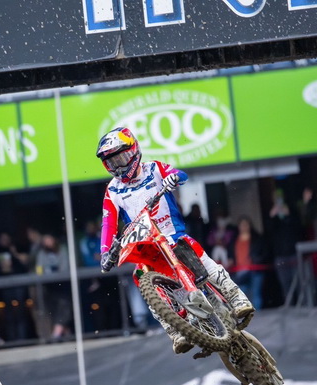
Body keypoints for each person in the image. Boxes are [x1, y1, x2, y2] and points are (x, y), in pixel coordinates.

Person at [95, 127, 253, 354]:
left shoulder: (153, 168)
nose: (119, 166)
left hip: (171, 232)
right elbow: (108, 222)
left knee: (193, 250)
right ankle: (174, 330)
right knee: (139, 274)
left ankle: (236, 297)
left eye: (122, 158)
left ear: (134, 150)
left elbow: (180, 174)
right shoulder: (113, 190)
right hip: (145, 243)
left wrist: (173, 178)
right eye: (112, 162)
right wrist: (105, 252)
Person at [268, 188, 301, 304]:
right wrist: (272, 217)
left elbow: (298, 228)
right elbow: (268, 233)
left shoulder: (292, 210)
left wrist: (288, 216)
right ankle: (290, 305)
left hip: (293, 253)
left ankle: (302, 304)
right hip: (280, 255)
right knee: (285, 284)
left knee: (298, 282)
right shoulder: (272, 214)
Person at [229, 216, 268, 310]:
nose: (244, 227)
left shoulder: (257, 238)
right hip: (240, 271)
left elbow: (264, 252)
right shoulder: (234, 240)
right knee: (242, 294)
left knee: (256, 294)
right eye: (242, 225)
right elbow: (231, 254)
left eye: (246, 225)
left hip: (255, 270)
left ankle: (259, 315)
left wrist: (257, 260)